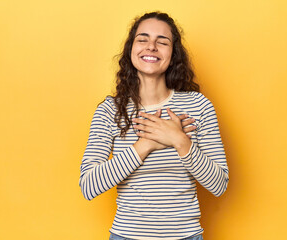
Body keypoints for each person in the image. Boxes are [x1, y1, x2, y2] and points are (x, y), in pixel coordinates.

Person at [79, 11, 229, 240]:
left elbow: (219, 184)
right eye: (143, 39)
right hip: (127, 236)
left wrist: (179, 139)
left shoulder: (198, 105)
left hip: (185, 236)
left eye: (162, 41)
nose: (151, 46)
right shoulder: (110, 111)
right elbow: (89, 186)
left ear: (173, 53)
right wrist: (145, 144)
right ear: (131, 49)